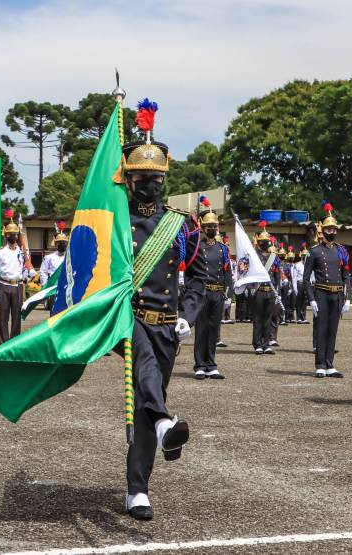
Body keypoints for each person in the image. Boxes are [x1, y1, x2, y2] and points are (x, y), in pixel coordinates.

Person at [119, 122, 202, 521]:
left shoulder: (181, 223)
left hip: (169, 324)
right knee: (147, 375)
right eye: (142, 178)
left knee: (148, 403)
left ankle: (139, 485)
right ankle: (163, 427)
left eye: (156, 178)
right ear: (128, 179)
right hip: (128, 320)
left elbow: (201, 277)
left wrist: (188, 315)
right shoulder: (115, 221)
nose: (149, 184)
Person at [304, 201, 350, 378]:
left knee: (333, 330)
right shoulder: (314, 251)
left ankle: (330, 364)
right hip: (321, 293)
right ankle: (320, 364)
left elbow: (346, 275)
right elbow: (306, 279)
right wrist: (312, 299)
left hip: (337, 294)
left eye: (334, 229)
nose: (332, 232)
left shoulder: (342, 251)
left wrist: (347, 297)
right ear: (322, 230)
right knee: (321, 329)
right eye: (329, 229)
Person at [192, 207, 232, 380]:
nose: (212, 229)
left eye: (214, 226)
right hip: (202, 292)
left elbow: (227, 272)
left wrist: (228, 294)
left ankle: (211, 365)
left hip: (217, 293)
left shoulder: (222, 249)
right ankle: (200, 365)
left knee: (214, 329)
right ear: (202, 226)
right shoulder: (197, 247)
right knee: (201, 330)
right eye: (209, 226)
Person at [0, 211, 36, 344]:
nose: (13, 236)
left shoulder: (22, 252)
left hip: (17, 286)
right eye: (10, 234)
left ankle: (14, 343)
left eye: (15, 234)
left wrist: (28, 273)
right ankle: (3, 344)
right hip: (4, 286)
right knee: (3, 318)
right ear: (5, 235)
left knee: (17, 317)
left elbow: (24, 268)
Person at [251, 223, 280, 355]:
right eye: (263, 241)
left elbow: (276, 274)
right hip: (258, 290)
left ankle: (266, 343)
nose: (265, 244)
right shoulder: (254, 256)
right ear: (259, 242)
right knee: (257, 318)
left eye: (267, 241)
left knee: (268, 318)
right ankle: (257, 344)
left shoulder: (273, 256)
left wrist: (277, 290)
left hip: (271, 290)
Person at [39, 221, 68, 311]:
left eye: (64, 242)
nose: (62, 244)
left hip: (67, 287)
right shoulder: (49, 257)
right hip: (53, 287)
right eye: (59, 242)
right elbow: (43, 272)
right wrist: (45, 286)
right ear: (55, 244)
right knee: (54, 312)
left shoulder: (70, 257)